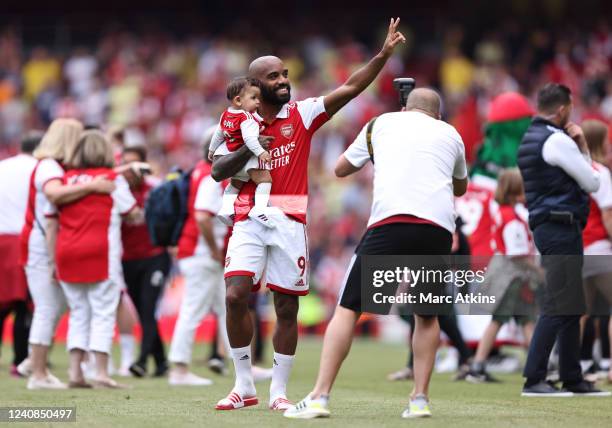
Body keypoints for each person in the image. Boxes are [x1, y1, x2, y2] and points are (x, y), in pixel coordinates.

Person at [211, 18, 406, 411]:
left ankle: (278, 391)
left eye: (285, 73)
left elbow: (350, 88)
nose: (283, 80)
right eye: (273, 76)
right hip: (248, 216)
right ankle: (244, 384)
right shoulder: (236, 122)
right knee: (235, 297)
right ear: (254, 87)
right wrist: (250, 150)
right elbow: (217, 169)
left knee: (286, 306)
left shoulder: (302, 114)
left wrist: (383, 55)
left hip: (290, 220)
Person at [284, 87, 468, 419]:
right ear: (437, 114)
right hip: (437, 230)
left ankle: (319, 396)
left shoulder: (379, 124)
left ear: (404, 107)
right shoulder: (451, 134)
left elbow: (341, 169)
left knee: (348, 309)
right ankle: (419, 400)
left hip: (390, 223)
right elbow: (460, 186)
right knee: (427, 315)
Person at [517, 83, 609, 397]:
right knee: (559, 302)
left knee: (570, 304)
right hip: (561, 225)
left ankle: (572, 377)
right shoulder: (557, 140)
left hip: (548, 224)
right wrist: (583, 146)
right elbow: (592, 181)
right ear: (563, 110)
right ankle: (534, 378)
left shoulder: (530, 138)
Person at [20, 118, 115, 389]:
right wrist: (94, 185)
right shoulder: (49, 166)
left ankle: (35, 364)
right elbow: (54, 194)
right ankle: (37, 371)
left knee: (63, 307)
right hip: (42, 245)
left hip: (52, 244)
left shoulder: (58, 166)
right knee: (49, 308)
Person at [48, 130, 139, 388]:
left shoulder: (65, 179)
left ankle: (76, 372)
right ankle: (100, 372)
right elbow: (131, 212)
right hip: (100, 250)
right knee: (102, 311)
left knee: (78, 312)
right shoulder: (111, 179)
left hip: (67, 250)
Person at [465, 168, 539, 383]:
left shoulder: (504, 213)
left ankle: (537, 365)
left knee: (522, 321)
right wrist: (539, 272)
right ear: (517, 191)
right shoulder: (512, 218)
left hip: (508, 276)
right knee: (505, 321)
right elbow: (516, 255)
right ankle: (479, 365)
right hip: (511, 278)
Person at [167, 137, 231, 386]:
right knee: (192, 311)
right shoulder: (210, 177)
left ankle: (243, 363)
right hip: (201, 253)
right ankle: (179, 369)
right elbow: (203, 217)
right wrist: (215, 250)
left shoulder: (200, 171)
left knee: (227, 310)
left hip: (199, 253)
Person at [119, 145, 171, 378]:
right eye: (126, 164)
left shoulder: (156, 188)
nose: (131, 170)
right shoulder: (117, 190)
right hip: (128, 260)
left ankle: (140, 361)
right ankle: (161, 362)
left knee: (149, 307)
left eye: (135, 164)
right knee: (143, 312)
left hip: (155, 257)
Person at [0, 131, 42, 376]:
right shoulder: (40, 170)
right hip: (24, 239)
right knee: (25, 305)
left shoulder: (3, 167)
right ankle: (20, 360)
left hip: (1, 237)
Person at [208, 77, 274, 227]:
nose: (258, 102)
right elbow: (250, 139)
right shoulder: (246, 117)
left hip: (230, 155)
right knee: (265, 180)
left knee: (235, 183)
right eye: (253, 98)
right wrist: (260, 153)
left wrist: (212, 150)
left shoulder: (226, 114)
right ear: (238, 101)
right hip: (245, 156)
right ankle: (260, 209)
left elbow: (218, 133)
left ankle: (225, 209)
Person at [580, 119, 612, 383]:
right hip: (600, 248)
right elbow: (608, 215)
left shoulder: (573, 169)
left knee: (579, 314)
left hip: (575, 249)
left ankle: (571, 366)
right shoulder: (599, 172)